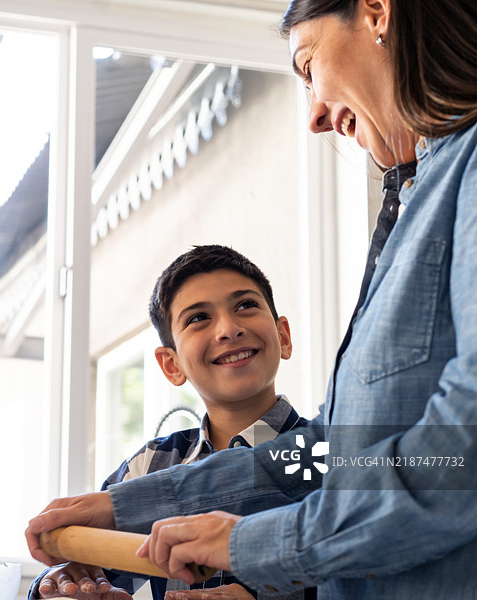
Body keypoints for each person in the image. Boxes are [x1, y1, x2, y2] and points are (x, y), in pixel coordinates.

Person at [25, 0, 477, 598]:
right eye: (196, 320)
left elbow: (460, 457)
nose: (314, 115)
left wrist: (250, 545)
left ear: (376, 11)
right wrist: (127, 505)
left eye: (309, 66)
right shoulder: (419, 195)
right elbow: (329, 457)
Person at [30, 245, 310, 600]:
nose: (229, 328)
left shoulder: (334, 456)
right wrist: (62, 581)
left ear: (283, 336)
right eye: (198, 318)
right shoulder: (148, 464)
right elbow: (90, 570)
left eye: (245, 306)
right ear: (171, 365)